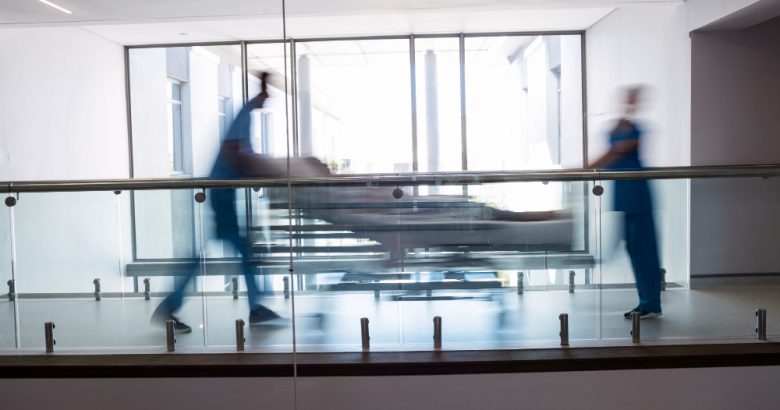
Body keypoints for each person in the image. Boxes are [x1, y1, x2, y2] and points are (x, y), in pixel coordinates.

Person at [153, 72, 282, 333]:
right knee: (240, 252)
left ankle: (172, 305)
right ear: (262, 91)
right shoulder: (244, 113)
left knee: (238, 251)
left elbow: (238, 154)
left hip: (223, 192)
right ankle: (255, 308)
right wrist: (260, 171)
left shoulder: (245, 113)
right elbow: (233, 152)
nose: (268, 99)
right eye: (268, 93)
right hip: (222, 192)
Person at [589, 86, 662, 320]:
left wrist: (581, 169)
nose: (630, 102)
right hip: (624, 194)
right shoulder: (616, 127)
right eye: (627, 98)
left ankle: (650, 303)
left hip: (638, 195)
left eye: (633, 98)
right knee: (633, 249)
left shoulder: (637, 129)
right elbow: (611, 153)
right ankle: (647, 301)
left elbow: (615, 152)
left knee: (645, 250)